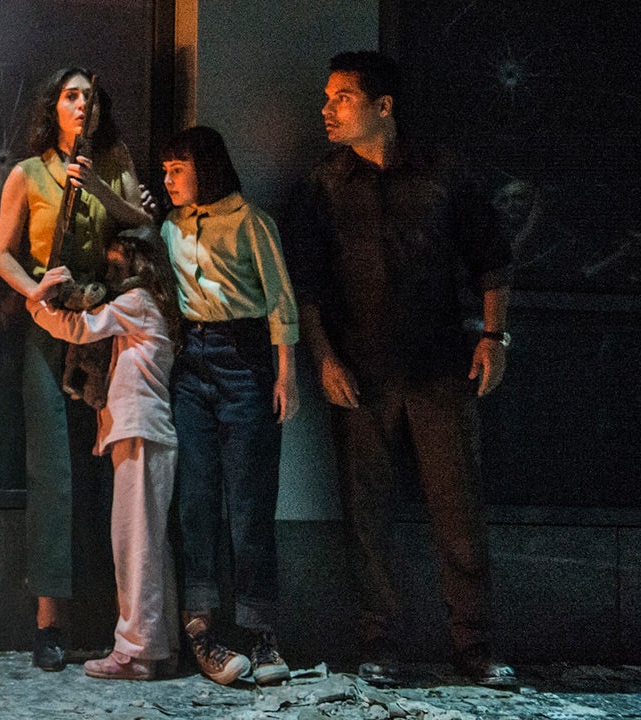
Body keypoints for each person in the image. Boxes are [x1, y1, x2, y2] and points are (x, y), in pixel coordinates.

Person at [284, 51, 517, 689]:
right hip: (360, 374)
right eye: (327, 97)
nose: (327, 109)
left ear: (383, 106)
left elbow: (492, 259)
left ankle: (476, 647)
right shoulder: (323, 185)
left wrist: (494, 337)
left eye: (342, 98)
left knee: (458, 509)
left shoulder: (443, 174)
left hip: (441, 367)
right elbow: (306, 287)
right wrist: (324, 358)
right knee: (368, 514)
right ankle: (378, 644)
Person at [0, 66, 152, 670]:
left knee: (119, 468)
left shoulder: (113, 162)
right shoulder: (27, 173)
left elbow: (141, 224)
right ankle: (49, 623)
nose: (82, 104)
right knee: (55, 471)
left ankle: (121, 619)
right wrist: (33, 290)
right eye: (71, 96)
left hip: (107, 325)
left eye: (89, 96)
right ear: (53, 106)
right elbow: (3, 254)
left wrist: (102, 190)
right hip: (48, 325)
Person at [159, 126, 299, 686]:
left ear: (206, 168)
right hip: (190, 361)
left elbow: (280, 300)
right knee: (196, 499)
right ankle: (200, 630)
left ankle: (262, 635)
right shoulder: (170, 226)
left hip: (245, 359)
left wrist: (286, 375)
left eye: (178, 169)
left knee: (249, 501)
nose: (169, 179)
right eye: (165, 170)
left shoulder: (250, 221)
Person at [26, 230, 181, 680]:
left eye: (117, 265)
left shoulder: (137, 302)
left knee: (133, 545)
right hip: (143, 432)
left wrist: (36, 305)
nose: (110, 275)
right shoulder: (151, 305)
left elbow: (80, 326)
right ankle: (161, 645)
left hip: (140, 431)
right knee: (149, 543)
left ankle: (135, 653)